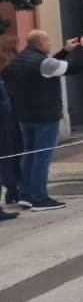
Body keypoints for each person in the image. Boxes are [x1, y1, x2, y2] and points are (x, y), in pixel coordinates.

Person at [5, 30, 83, 211]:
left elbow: (51, 68)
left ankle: (26, 194)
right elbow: (73, 68)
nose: (50, 45)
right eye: (49, 42)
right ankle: (39, 197)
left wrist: (65, 51)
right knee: (42, 156)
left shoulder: (19, 60)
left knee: (28, 154)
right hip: (45, 116)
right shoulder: (43, 62)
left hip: (24, 116)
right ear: (41, 43)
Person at [0, 35, 22, 220]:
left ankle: (12, 188)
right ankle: (12, 187)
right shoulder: (11, 70)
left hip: (10, 119)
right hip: (7, 122)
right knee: (8, 157)